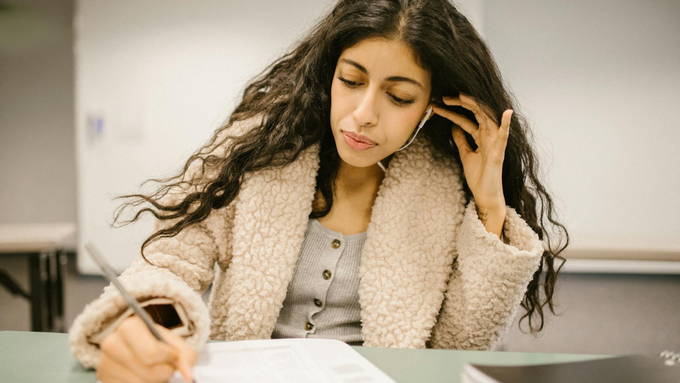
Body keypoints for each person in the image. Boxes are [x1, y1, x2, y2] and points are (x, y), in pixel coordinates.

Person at [69, 0, 568, 382]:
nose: (364, 113)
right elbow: (172, 260)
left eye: (398, 96)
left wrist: (488, 207)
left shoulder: (445, 187)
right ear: (328, 73)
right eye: (351, 80)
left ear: (432, 105)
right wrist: (148, 321)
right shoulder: (258, 149)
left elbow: (460, 345)